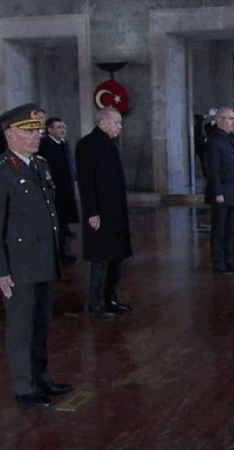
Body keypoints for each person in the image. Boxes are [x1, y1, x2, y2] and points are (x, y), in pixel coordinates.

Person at [0, 103, 74, 410]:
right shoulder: (5, 171)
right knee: (21, 329)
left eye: (39, 131)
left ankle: (41, 376)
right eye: (29, 131)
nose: (36, 137)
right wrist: (1, 271)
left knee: (41, 325)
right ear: (10, 135)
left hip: (43, 260)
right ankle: (24, 387)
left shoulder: (39, 165)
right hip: (18, 265)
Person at [76, 107, 133, 319]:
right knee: (100, 259)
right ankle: (97, 303)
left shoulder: (111, 142)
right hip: (99, 213)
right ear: (103, 122)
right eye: (116, 122)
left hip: (115, 212)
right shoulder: (87, 145)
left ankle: (110, 299)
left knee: (115, 258)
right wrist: (92, 212)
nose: (120, 126)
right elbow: (86, 182)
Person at [204, 107, 234, 275]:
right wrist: (217, 192)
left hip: (233, 191)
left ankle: (226, 260)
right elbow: (212, 169)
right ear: (220, 119)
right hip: (222, 193)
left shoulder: (229, 139)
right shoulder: (214, 140)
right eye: (230, 118)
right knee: (220, 228)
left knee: (230, 228)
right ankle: (218, 262)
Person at [37, 117, 79, 261]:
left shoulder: (64, 143)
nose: (62, 130)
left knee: (63, 223)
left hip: (66, 190)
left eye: (64, 127)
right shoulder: (45, 146)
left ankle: (62, 252)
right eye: (59, 127)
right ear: (50, 129)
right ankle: (58, 254)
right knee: (57, 224)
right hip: (54, 192)